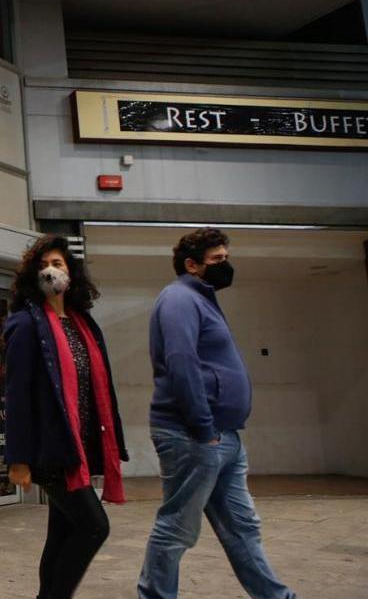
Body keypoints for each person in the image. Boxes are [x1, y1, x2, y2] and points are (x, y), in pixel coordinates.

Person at [137, 229, 296, 599]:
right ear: (192, 265)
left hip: (224, 437)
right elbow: (181, 363)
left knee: (242, 528)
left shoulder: (202, 299)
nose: (226, 266)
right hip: (193, 436)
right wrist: (203, 426)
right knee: (177, 528)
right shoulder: (179, 298)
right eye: (218, 261)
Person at [4, 234, 128, 599]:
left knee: (62, 531)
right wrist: (19, 459)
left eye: (58, 264)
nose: (51, 271)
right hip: (50, 450)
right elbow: (17, 396)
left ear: (71, 274)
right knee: (93, 527)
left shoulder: (82, 325)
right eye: (43, 266)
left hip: (78, 447)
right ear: (33, 277)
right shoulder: (26, 326)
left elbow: (97, 388)